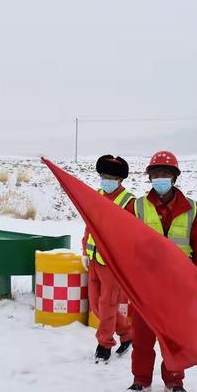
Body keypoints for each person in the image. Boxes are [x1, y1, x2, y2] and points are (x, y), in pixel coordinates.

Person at [126, 151, 197, 392]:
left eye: (165, 174)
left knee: (175, 335)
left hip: (179, 285)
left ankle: (174, 381)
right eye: (155, 174)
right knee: (142, 335)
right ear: (150, 177)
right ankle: (140, 381)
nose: (160, 178)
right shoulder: (137, 206)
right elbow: (126, 245)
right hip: (146, 284)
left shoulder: (192, 210)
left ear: (174, 177)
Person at [81, 155, 136, 363]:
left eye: (112, 177)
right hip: (95, 260)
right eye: (104, 176)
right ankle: (127, 333)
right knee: (96, 306)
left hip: (113, 265)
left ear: (121, 180)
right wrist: (85, 251)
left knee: (107, 305)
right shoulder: (96, 196)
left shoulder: (130, 202)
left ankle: (104, 344)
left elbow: (132, 236)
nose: (107, 180)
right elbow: (89, 227)